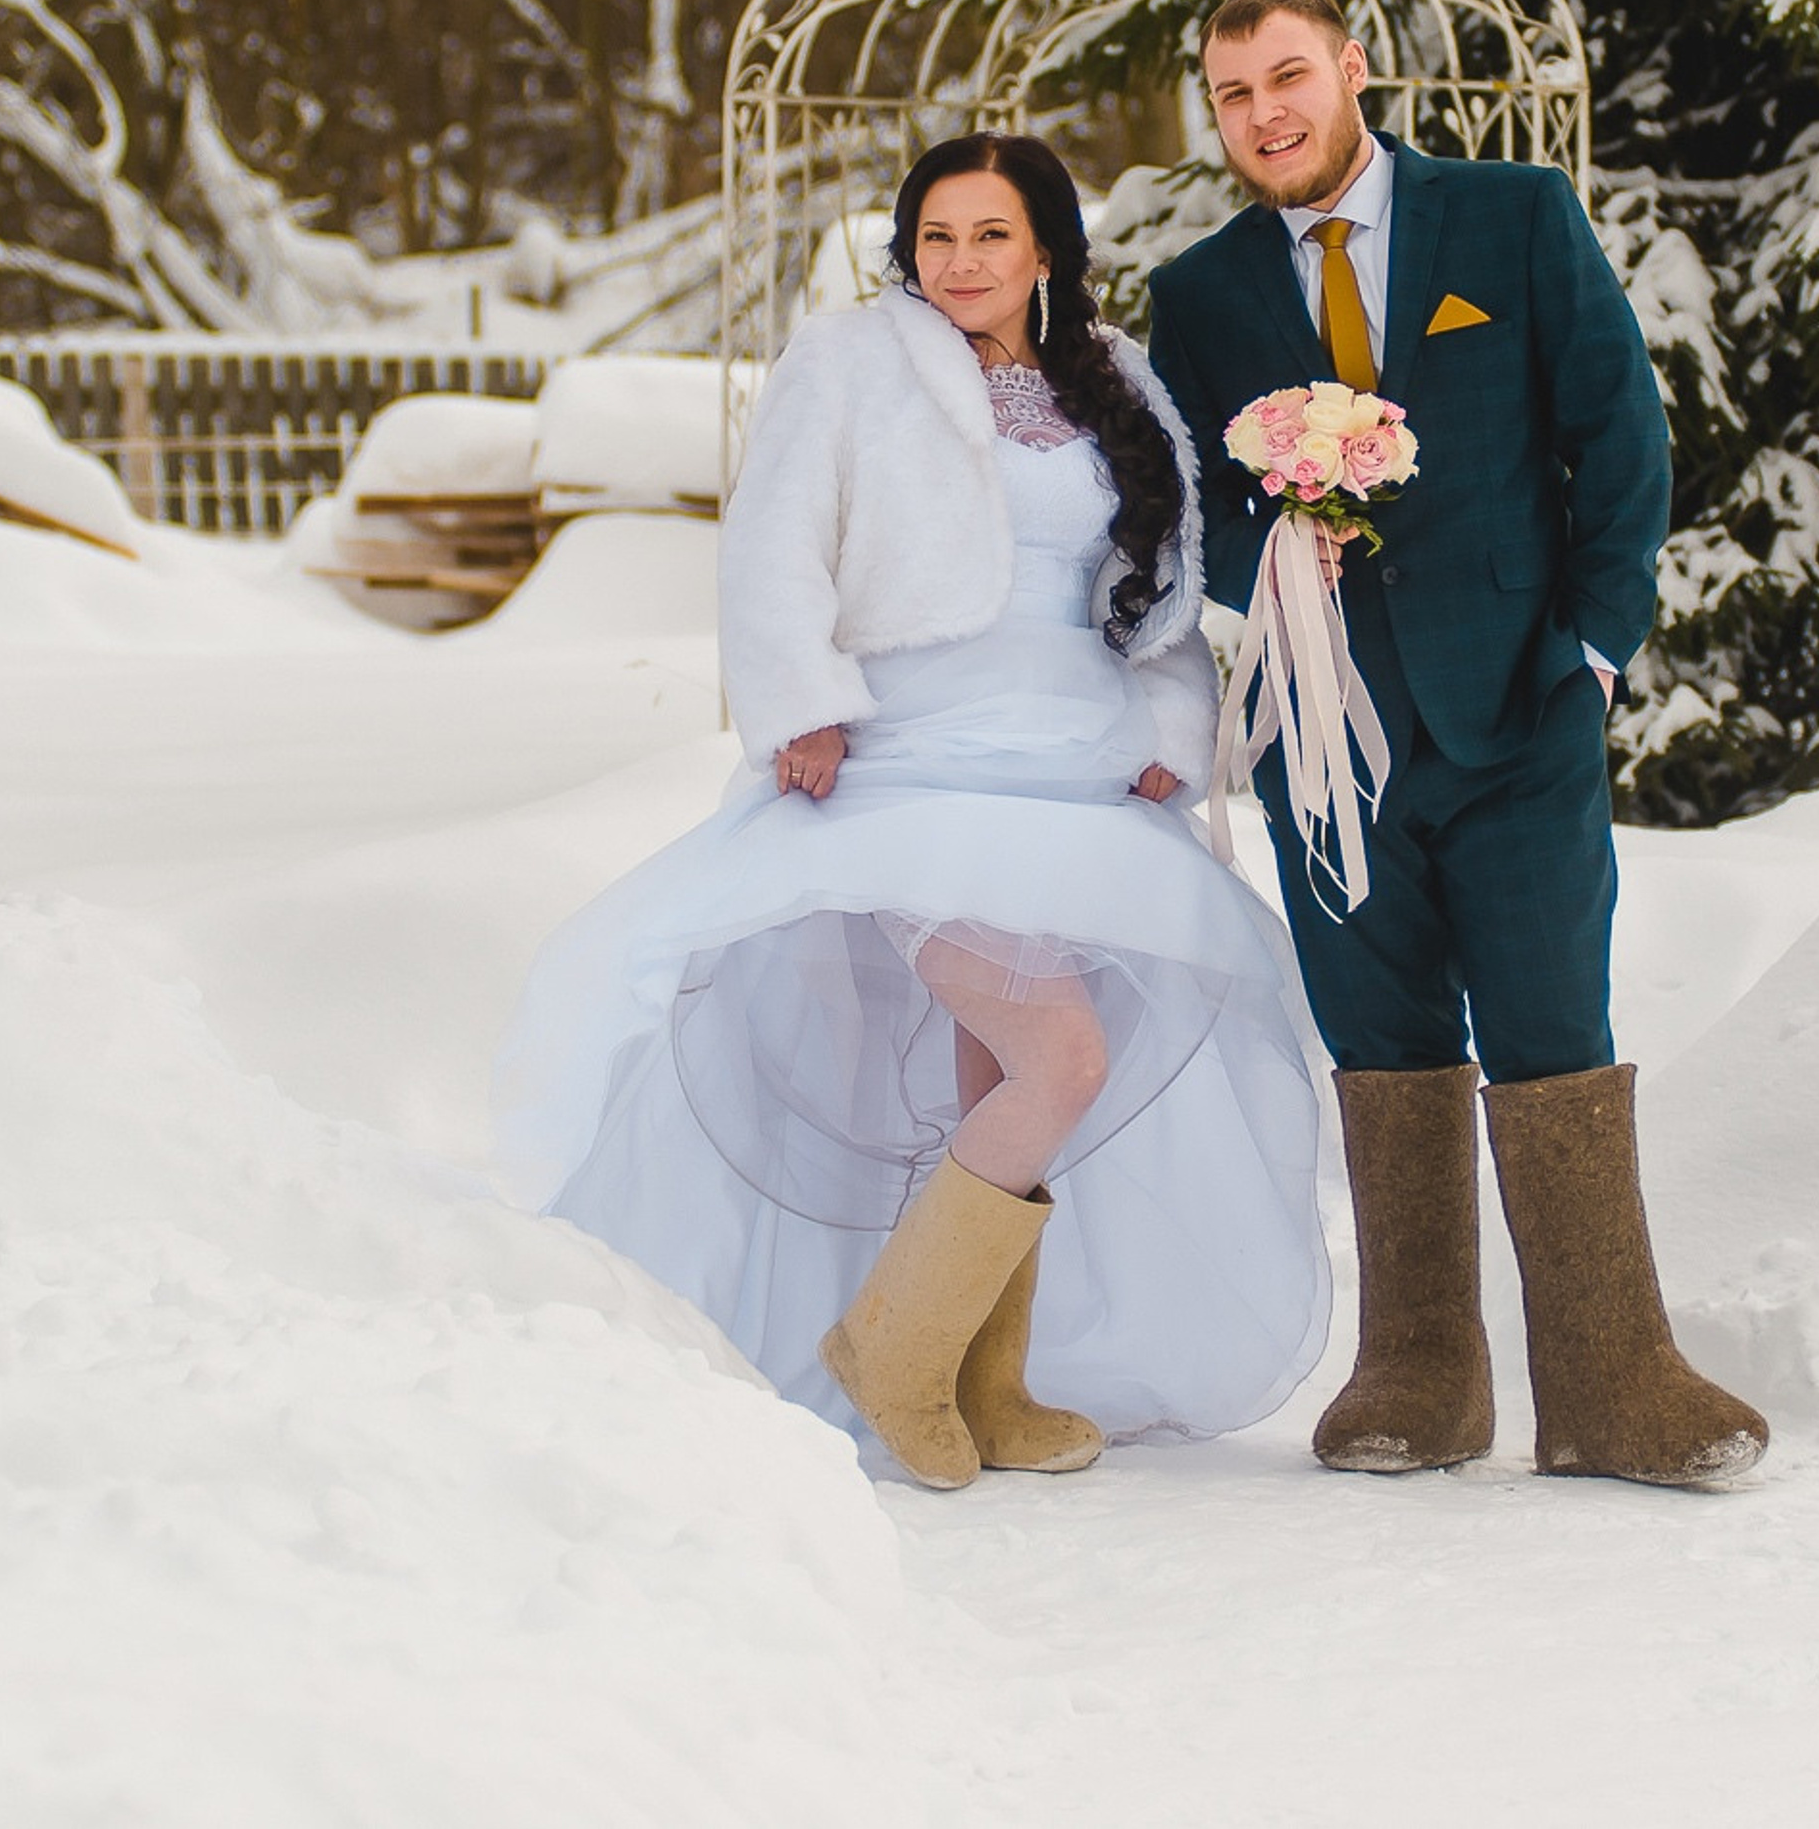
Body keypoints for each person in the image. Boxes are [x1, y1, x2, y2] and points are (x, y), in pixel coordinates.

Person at [495, 130, 1328, 1489]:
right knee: (1058, 1055)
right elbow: (773, 544)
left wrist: (1176, 724)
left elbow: (1161, 585)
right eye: (937, 236)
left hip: (1076, 766)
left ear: (1045, 248)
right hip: (914, 760)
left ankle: (983, 1386)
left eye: (990, 236)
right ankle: (892, 1345)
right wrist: (801, 700)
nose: (960, 263)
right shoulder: (850, 361)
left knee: (1001, 1077)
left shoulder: (1113, 379)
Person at [1146, 0, 1768, 1488]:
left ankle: (1617, 1383)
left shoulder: (1512, 217)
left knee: (1556, 1029)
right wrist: (1278, 559)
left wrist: (1599, 650)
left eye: (1288, 77)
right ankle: (1420, 1375)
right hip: (1325, 732)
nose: (1264, 115)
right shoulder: (1205, 291)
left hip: (1523, 709)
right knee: (1386, 1036)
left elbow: (1617, 428)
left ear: (1353, 69)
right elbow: (1189, 507)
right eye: (1233, 96)